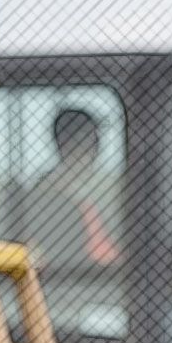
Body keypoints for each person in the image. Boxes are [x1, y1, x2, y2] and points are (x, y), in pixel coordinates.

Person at [22, 108, 121, 267]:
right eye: (92, 140)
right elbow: (67, 259)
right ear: (66, 144)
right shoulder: (48, 198)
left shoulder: (84, 193)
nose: (96, 150)